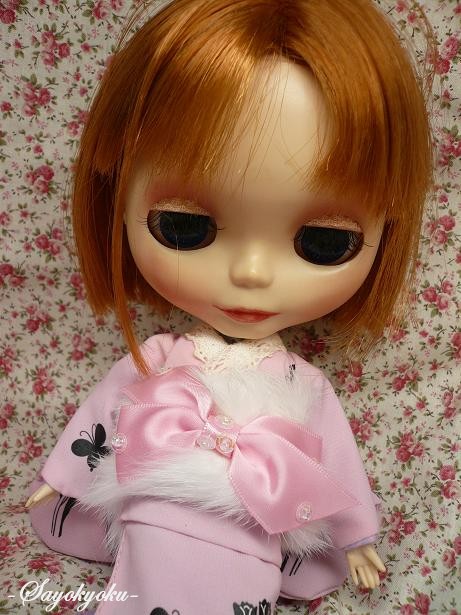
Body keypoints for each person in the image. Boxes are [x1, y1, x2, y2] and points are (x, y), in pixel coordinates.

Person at [26, 1, 434, 612]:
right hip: (155, 520)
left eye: (324, 242)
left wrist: (357, 537)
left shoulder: (304, 384)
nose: (251, 274)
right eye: (185, 227)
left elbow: (337, 465)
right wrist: (61, 477)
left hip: (250, 540)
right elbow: (103, 416)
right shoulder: (159, 356)